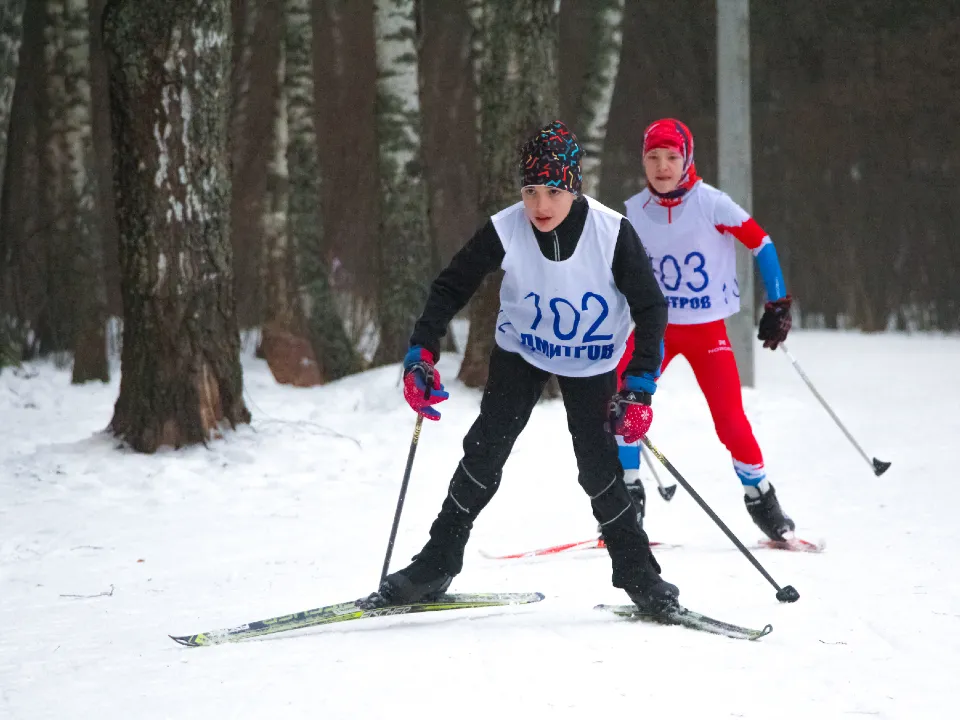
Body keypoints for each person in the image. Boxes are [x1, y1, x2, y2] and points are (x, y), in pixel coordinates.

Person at [374, 120, 679, 613]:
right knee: (484, 451)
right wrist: (421, 351)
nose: (540, 205)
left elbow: (651, 307)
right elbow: (451, 285)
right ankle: (437, 561)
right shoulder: (506, 227)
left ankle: (639, 575)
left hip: (592, 359)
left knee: (598, 465)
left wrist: (640, 384)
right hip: (523, 349)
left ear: (574, 189)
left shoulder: (610, 233)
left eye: (554, 191)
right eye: (531, 190)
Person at [615, 118, 796, 542]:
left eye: (672, 157)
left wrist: (778, 302)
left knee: (731, 422)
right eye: (653, 157)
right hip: (652, 331)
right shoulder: (633, 211)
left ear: (687, 159)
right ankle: (625, 497)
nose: (662, 166)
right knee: (621, 405)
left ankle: (761, 497)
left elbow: (761, 242)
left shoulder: (710, 202)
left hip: (705, 331)